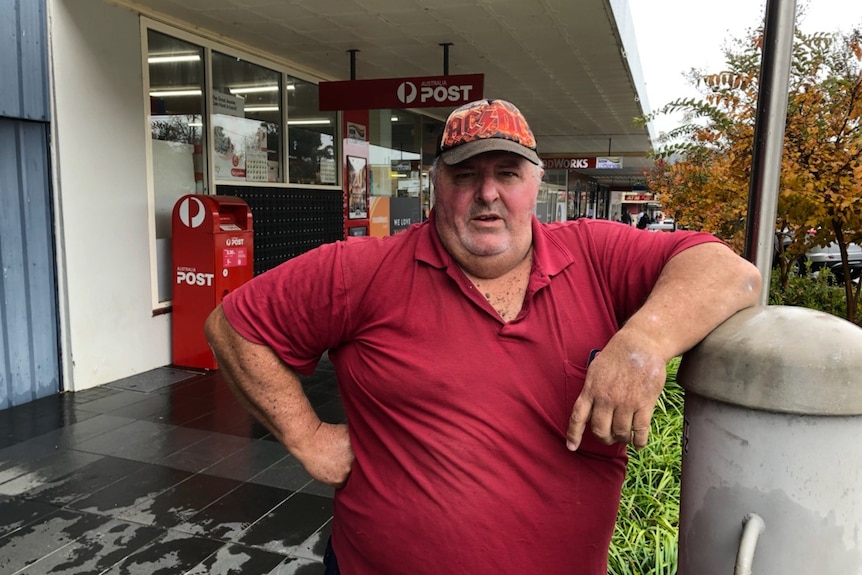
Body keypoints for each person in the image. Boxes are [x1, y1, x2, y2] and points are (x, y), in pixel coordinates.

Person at [204, 98, 761, 574]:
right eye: (466, 175)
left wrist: (642, 343)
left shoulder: (594, 254)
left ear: (536, 184)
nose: (487, 193)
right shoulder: (362, 270)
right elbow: (232, 326)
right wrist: (307, 438)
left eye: (508, 174)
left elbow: (730, 272)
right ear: (436, 185)